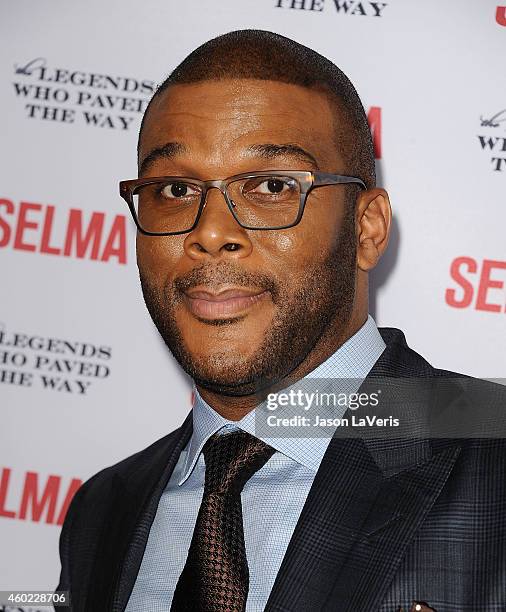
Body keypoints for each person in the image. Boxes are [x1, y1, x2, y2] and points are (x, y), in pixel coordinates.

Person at [56, 30, 506, 611]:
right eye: (174, 188)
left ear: (366, 228)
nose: (210, 233)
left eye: (271, 186)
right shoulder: (103, 511)